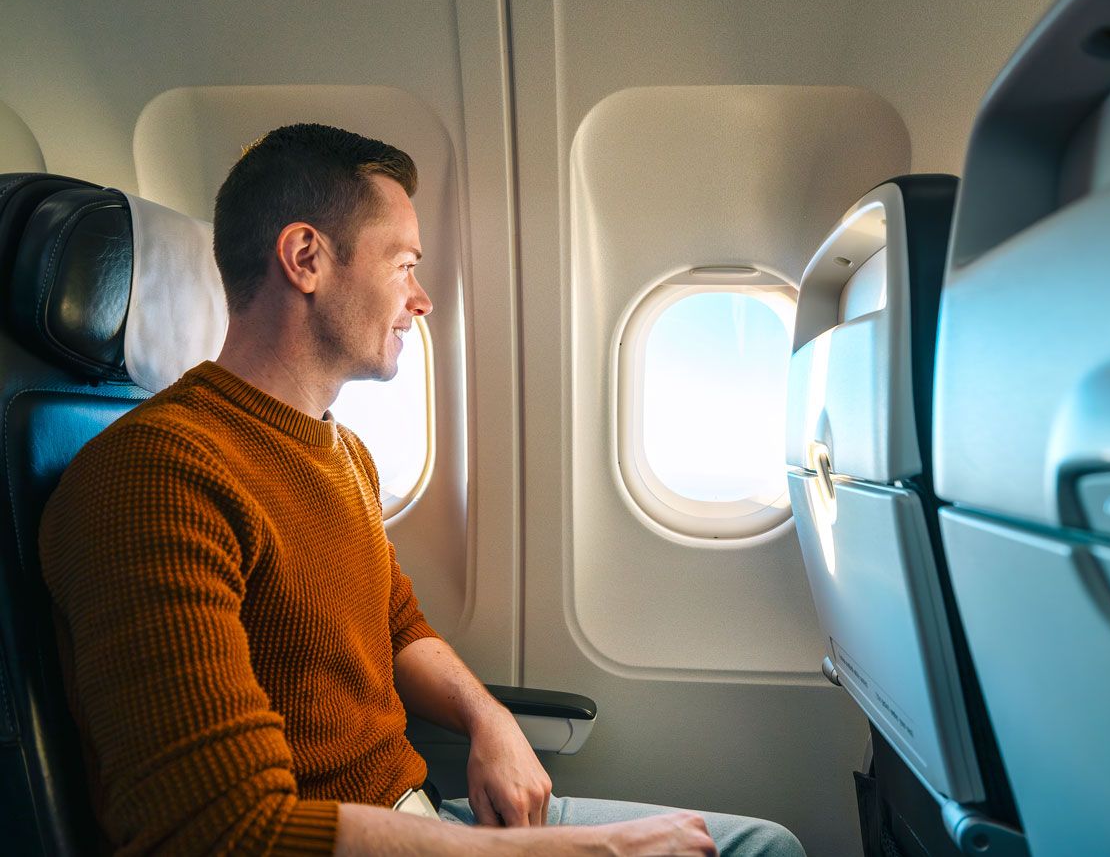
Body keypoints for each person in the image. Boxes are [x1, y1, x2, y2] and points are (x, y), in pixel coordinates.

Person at [39, 123, 805, 856]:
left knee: (763, 845)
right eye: (403, 264)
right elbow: (225, 836)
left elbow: (397, 625)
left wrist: (490, 719)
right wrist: (589, 849)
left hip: (421, 814)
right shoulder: (156, 476)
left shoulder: (344, 453)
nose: (422, 299)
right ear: (306, 256)